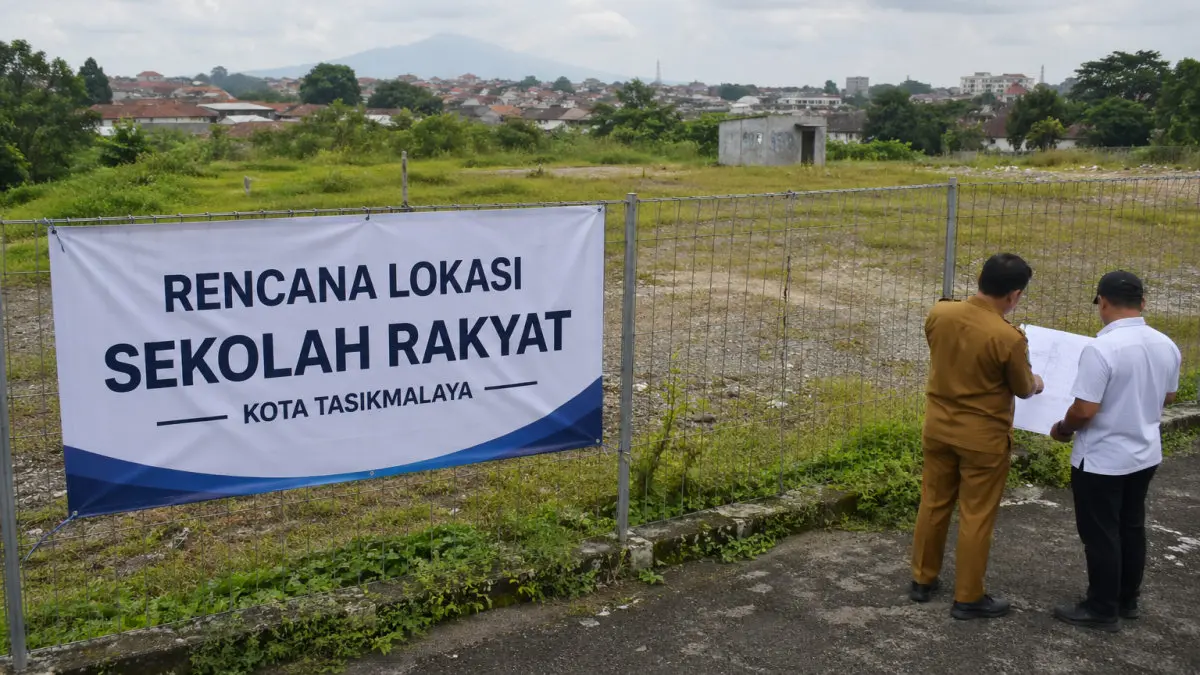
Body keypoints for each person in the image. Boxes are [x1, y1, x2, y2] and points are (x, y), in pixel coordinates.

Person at [910, 253, 1045, 620]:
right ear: (1014, 295)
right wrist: (1036, 381)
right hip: (982, 439)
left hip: (938, 426)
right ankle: (968, 596)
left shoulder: (941, 313)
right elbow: (1021, 388)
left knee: (934, 502)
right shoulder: (1008, 337)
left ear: (981, 279)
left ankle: (922, 579)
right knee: (976, 515)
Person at [1050, 271, 1181, 632]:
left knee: (1101, 533)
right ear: (1143, 303)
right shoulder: (1165, 344)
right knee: (1131, 525)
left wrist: (1062, 428)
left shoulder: (1101, 348)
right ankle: (1127, 599)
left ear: (1103, 302)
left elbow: (1084, 410)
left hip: (1103, 458)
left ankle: (1101, 607)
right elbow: (1168, 396)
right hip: (1144, 452)